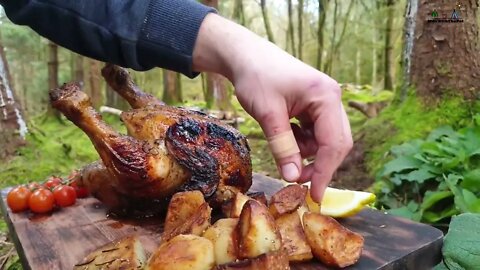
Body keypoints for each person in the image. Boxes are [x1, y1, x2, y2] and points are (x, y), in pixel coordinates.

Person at [0, 0, 352, 202]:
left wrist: (238, 49)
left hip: (212, 152)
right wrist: (238, 47)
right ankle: (83, 111)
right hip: (201, 153)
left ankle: (115, 94)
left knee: (162, 152)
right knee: (153, 167)